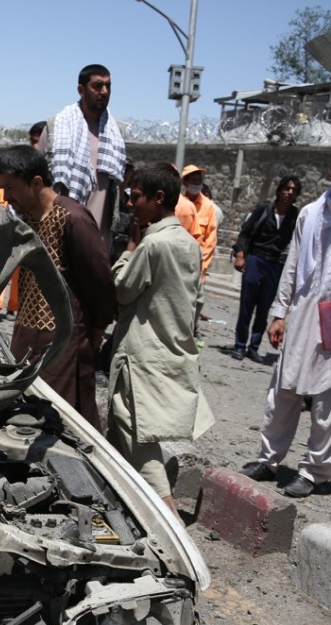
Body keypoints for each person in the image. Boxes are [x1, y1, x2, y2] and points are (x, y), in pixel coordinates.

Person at [107, 162, 213, 517]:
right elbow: (195, 300)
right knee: (129, 433)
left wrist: (130, 247)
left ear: (158, 198)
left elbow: (120, 290)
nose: (130, 204)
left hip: (140, 354)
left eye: (135, 197)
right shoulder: (187, 243)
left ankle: (168, 519)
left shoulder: (152, 245)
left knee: (136, 435)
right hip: (169, 349)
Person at [240, 148, 331, 498]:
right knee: (283, 389)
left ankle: (315, 471)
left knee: (329, 398)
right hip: (303, 311)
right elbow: (293, 266)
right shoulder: (311, 213)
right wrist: (280, 313)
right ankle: (269, 459)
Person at [0, 146, 115, 428]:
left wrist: (95, 331)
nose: (6, 197)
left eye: (10, 187)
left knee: (63, 423)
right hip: (27, 338)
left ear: (36, 182)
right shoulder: (28, 220)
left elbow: (101, 283)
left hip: (64, 345)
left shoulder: (73, 217)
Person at [39, 64, 127, 246]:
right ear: (81, 90)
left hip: (100, 239)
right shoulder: (56, 127)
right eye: (97, 85)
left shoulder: (116, 132)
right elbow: (36, 179)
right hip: (60, 233)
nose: (104, 91)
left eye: (108, 86)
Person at [230, 176, 302, 363]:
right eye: (286, 188)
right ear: (279, 190)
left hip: (275, 265)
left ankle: (253, 347)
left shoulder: (296, 216)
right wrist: (240, 255)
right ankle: (239, 345)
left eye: (294, 190)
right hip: (255, 259)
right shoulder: (264, 209)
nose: (289, 192)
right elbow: (245, 233)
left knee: (264, 309)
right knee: (247, 306)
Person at [180, 165, 218, 282]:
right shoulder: (178, 203)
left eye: (199, 180)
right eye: (193, 180)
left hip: (197, 265)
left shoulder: (208, 206)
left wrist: (202, 267)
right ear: (185, 183)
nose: (197, 184)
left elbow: (210, 240)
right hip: (178, 259)